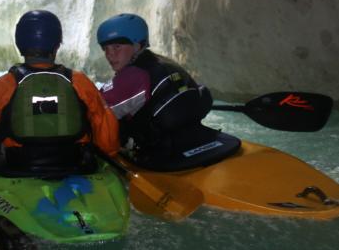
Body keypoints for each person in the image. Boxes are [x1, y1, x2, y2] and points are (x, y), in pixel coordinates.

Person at [0, 9, 119, 177]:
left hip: (17, 167)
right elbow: (108, 141)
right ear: (57, 45)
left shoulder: (3, 86)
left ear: (19, 44)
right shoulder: (80, 82)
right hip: (73, 164)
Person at [96, 13, 239, 171]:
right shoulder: (166, 63)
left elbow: (96, 112)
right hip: (199, 137)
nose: (109, 54)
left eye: (117, 47)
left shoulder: (131, 77)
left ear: (138, 45)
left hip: (160, 154)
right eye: (105, 48)